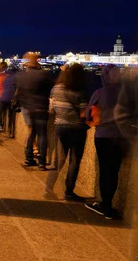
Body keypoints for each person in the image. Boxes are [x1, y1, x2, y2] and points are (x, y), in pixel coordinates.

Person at [84, 65, 125, 219]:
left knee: (104, 170)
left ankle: (105, 204)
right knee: (114, 171)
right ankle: (109, 206)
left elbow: (89, 114)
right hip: (121, 137)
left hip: (103, 136)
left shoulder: (99, 93)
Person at [45, 63, 89, 201]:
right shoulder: (79, 92)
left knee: (57, 160)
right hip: (77, 129)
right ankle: (69, 192)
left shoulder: (55, 89)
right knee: (74, 161)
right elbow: (84, 113)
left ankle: (48, 189)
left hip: (60, 127)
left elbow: (51, 109)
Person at [15, 53, 54, 170]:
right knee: (42, 134)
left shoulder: (22, 76)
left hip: (28, 108)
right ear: (38, 64)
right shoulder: (44, 75)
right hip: (41, 107)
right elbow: (50, 89)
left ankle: (28, 158)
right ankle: (42, 162)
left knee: (31, 133)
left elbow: (19, 93)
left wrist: (25, 104)